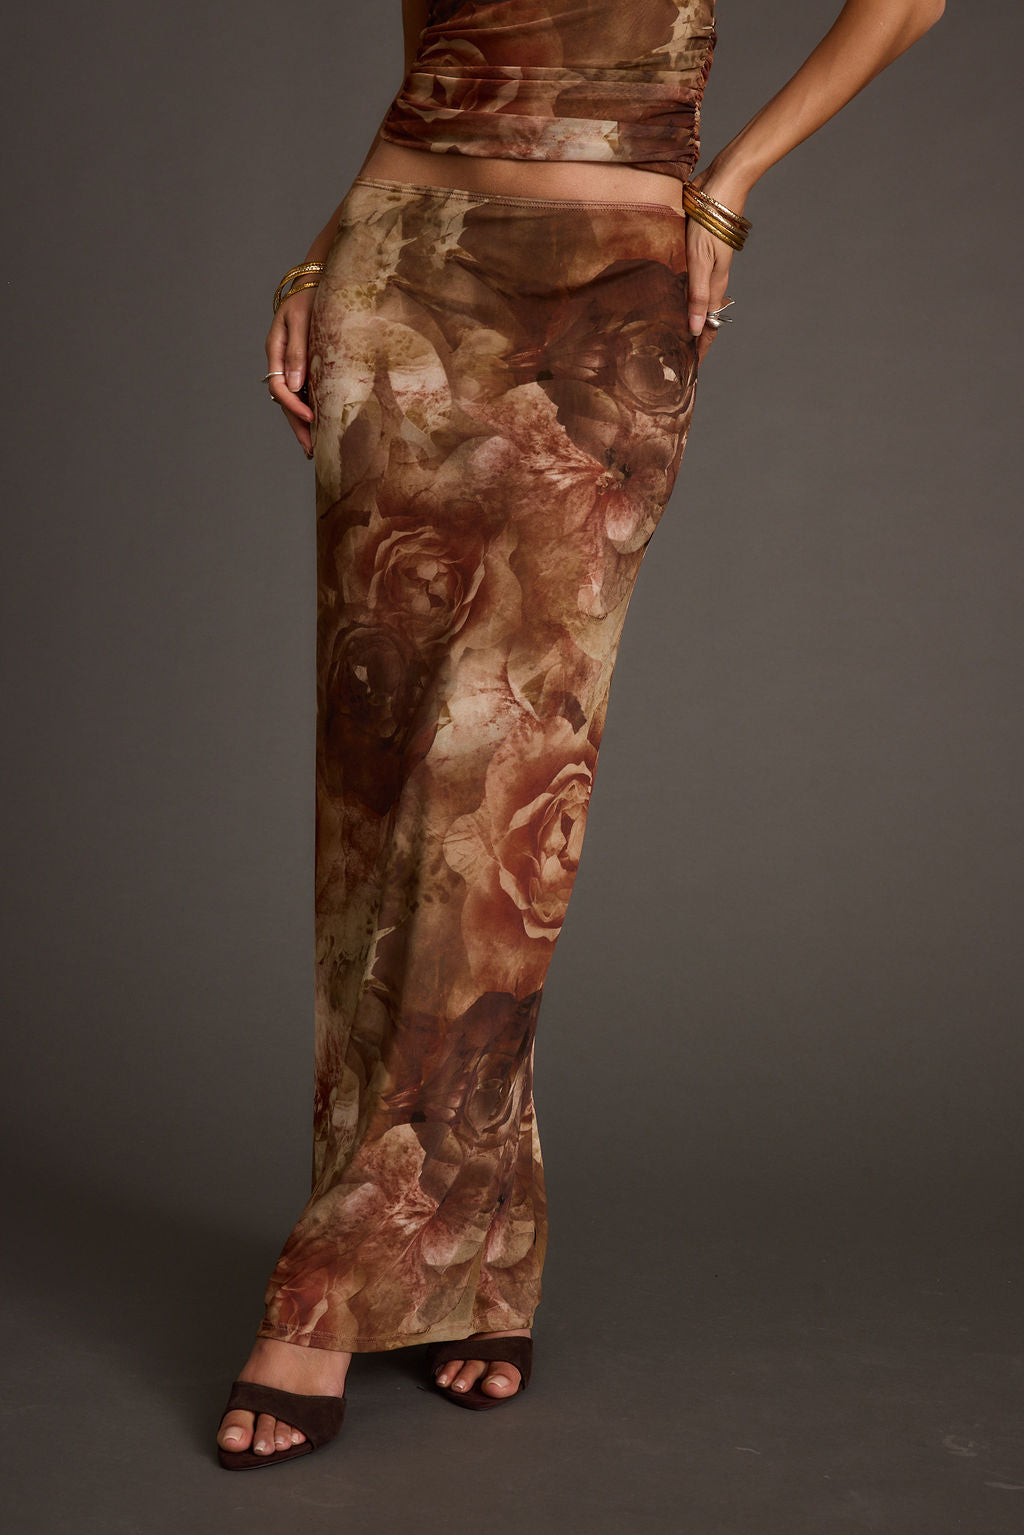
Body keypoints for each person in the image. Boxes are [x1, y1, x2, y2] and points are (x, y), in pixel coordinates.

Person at [216, 0, 945, 1469]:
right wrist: (318, 249)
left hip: (606, 286)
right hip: (398, 265)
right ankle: (477, 1257)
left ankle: (330, 1286)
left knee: (499, 784)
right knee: (378, 781)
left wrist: (728, 188)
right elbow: (438, 58)